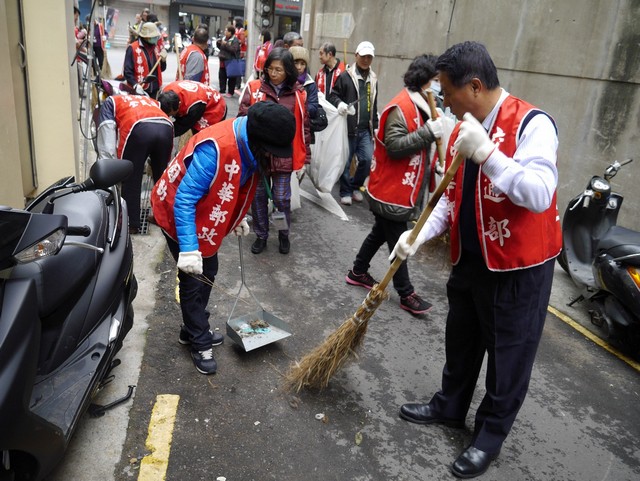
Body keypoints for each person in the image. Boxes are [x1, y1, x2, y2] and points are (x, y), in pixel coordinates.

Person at [390, 41, 561, 478]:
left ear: (476, 85)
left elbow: (538, 193)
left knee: (508, 356)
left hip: (517, 267)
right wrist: (417, 234)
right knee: (461, 340)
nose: (443, 100)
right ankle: (449, 405)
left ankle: (488, 435)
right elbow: (450, 198)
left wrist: (488, 154)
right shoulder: (466, 126)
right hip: (470, 260)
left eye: (447, 91)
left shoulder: (531, 124)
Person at [150, 103, 297, 374]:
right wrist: (190, 249)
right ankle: (199, 341)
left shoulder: (249, 148)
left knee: (210, 271)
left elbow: (232, 187)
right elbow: (184, 199)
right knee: (193, 282)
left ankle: (191, 329)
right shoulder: (215, 150)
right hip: (176, 212)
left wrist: (238, 217)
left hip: (202, 216)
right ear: (258, 142)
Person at [347, 55, 445, 315]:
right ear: (423, 80)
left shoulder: (425, 105)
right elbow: (395, 146)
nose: (439, 85)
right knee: (400, 240)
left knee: (381, 232)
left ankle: (357, 271)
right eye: (435, 80)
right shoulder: (401, 107)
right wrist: (428, 134)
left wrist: (435, 164)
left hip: (401, 190)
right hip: (391, 190)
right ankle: (406, 293)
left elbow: (421, 149)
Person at [238, 48, 310, 255]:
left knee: (281, 199)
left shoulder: (298, 94)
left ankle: (282, 234)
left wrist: (305, 158)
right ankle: (261, 235)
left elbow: (304, 126)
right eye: (271, 68)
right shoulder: (254, 89)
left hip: (283, 155)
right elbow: (242, 118)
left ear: (288, 71)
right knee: (258, 198)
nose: (274, 73)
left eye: (279, 69)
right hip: (257, 156)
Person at [96, 94, 174, 234]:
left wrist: (113, 166)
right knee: (162, 177)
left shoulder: (110, 102)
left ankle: (131, 223)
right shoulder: (148, 100)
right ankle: (165, 218)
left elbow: (107, 139)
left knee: (131, 176)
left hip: (137, 127)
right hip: (166, 127)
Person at [328, 41, 378, 206]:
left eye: (369, 57)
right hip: (348, 127)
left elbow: (374, 103)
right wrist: (340, 104)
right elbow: (333, 95)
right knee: (346, 161)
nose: (366, 59)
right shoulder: (345, 76)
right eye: (363, 56)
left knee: (367, 159)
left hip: (365, 129)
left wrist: (375, 126)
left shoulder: (373, 78)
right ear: (356, 55)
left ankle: (356, 186)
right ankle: (346, 191)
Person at [158, 80, 227, 136]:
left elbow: (182, 126)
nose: (170, 116)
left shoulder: (195, 106)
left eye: (171, 114)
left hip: (215, 106)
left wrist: (163, 135)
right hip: (198, 97)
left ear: (179, 105)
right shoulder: (165, 92)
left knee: (201, 135)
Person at [123, 22, 167, 98]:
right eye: (153, 37)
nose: (156, 39)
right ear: (146, 37)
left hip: (155, 91)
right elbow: (127, 72)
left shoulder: (156, 48)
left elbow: (162, 69)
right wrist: (135, 85)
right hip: (140, 90)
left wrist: (163, 60)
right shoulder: (133, 48)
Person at [289, 46, 322, 136]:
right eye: (296, 63)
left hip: (304, 130)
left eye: (302, 64)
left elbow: (313, 107)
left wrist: (297, 109)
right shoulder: (283, 81)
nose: (299, 67)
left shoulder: (310, 84)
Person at [217, 25, 240, 97]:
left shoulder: (235, 40)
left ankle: (230, 92)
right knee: (222, 76)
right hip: (223, 61)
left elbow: (234, 50)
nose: (225, 32)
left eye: (226, 31)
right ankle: (222, 90)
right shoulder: (224, 38)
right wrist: (218, 43)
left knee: (231, 78)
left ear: (230, 32)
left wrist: (225, 44)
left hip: (230, 62)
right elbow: (220, 47)